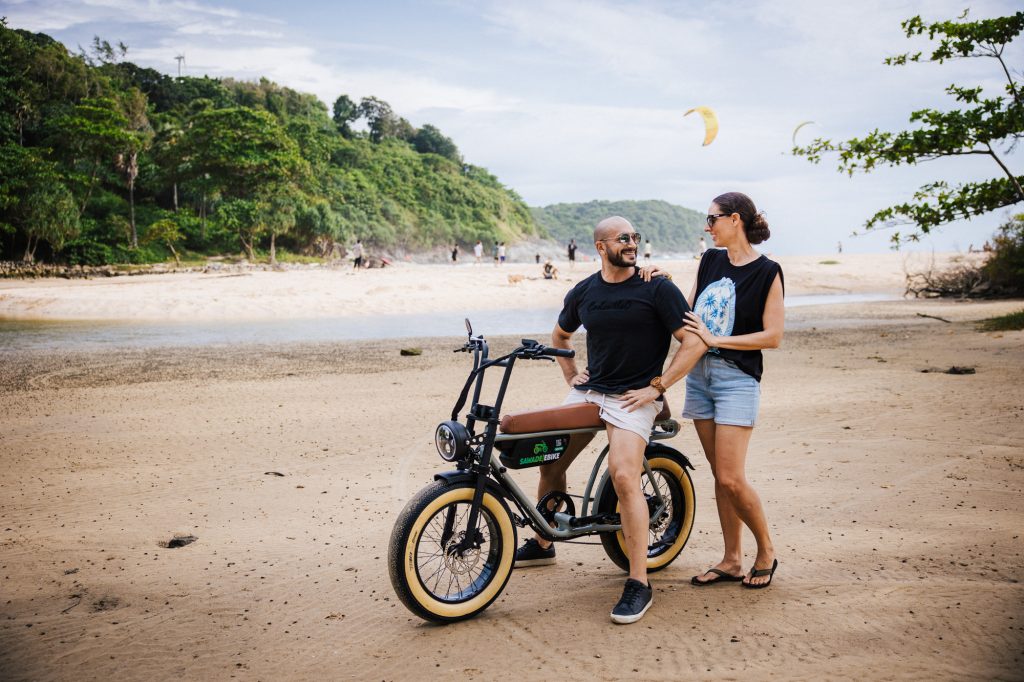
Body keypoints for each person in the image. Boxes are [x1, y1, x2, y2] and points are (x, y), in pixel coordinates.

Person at [514, 216, 707, 625]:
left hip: (632, 396)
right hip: (591, 390)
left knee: (623, 475)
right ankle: (544, 542)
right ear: (601, 246)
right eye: (624, 238)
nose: (632, 243)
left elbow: (695, 343)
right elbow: (560, 337)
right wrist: (572, 375)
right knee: (551, 460)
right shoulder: (584, 291)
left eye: (636, 236)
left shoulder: (658, 287)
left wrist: (658, 387)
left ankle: (639, 582)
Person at [684, 192, 784, 590]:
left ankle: (766, 551)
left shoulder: (768, 271)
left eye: (713, 219)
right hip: (699, 376)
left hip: (736, 380)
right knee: (718, 475)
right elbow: (690, 313)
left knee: (731, 477)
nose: (708, 227)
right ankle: (730, 560)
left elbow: (773, 336)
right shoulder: (710, 260)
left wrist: (718, 340)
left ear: (736, 219)